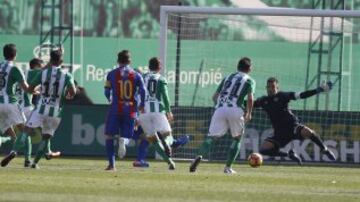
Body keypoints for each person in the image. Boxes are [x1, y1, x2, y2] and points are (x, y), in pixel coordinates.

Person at [1, 49, 76, 168]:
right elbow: (73, 91)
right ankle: (35, 162)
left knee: (25, 131)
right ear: (61, 60)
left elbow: (30, 88)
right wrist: (69, 95)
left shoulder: (41, 73)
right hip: (55, 111)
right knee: (45, 137)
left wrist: (36, 91)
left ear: (50, 60)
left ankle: (14, 152)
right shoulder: (67, 75)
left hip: (40, 108)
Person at [190, 57, 255, 174]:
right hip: (236, 109)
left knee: (211, 137)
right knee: (237, 138)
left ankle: (198, 156)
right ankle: (228, 167)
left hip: (220, 109)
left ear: (237, 66)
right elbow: (250, 98)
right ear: (249, 69)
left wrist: (220, 106)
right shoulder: (249, 80)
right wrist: (249, 112)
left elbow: (214, 97)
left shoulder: (227, 78)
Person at [253, 77, 336, 165]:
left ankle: (325, 150)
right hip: (279, 132)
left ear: (277, 88)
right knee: (263, 150)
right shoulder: (263, 100)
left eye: (273, 87)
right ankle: (289, 154)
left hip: (292, 126)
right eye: (269, 87)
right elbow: (250, 104)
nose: (270, 89)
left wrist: (317, 90)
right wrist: (237, 102)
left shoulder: (283, 96)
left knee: (308, 132)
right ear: (266, 88)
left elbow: (302, 95)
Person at [103, 50, 145, 171]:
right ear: (129, 61)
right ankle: (124, 141)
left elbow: (106, 91)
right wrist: (141, 104)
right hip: (130, 108)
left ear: (118, 61)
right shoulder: (136, 75)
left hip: (115, 107)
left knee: (109, 136)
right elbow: (143, 90)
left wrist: (109, 99)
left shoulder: (111, 74)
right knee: (127, 135)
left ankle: (111, 164)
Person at [17, 58, 61, 167]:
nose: (42, 67)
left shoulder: (22, 73)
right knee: (45, 129)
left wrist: (35, 92)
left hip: (15, 107)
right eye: (41, 64)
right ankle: (47, 151)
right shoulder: (34, 72)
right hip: (26, 107)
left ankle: (27, 159)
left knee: (26, 133)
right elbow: (48, 69)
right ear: (36, 65)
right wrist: (58, 56)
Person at [137, 57, 176, 170]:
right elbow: (165, 96)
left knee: (153, 140)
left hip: (143, 112)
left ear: (149, 67)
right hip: (157, 110)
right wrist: (168, 111)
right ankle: (167, 144)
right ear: (159, 67)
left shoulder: (141, 77)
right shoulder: (161, 79)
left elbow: (136, 94)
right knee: (168, 134)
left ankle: (169, 162)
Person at [0, 44, 32, 166]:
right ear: (15, 55)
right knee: (25, 130)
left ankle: (14, 147)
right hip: (10, 103)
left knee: (8, 129)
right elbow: (26, 88)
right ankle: (25, 159)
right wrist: (36, 90)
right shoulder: (14, 68)